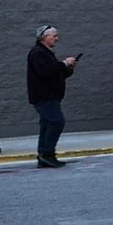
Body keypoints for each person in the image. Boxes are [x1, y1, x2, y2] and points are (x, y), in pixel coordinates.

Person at [27, 24, 79, 168]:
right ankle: (47, 154)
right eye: (54, 36)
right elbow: (44, 72)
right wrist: (63, 63)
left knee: (46, 124)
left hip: (49, 95)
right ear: (45, 37)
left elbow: (55, 74)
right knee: (56, 122)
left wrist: (68, 69)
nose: (57, 38)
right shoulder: (38, 53)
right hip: (44, 96)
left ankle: (44, 156)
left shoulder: (45, 52)